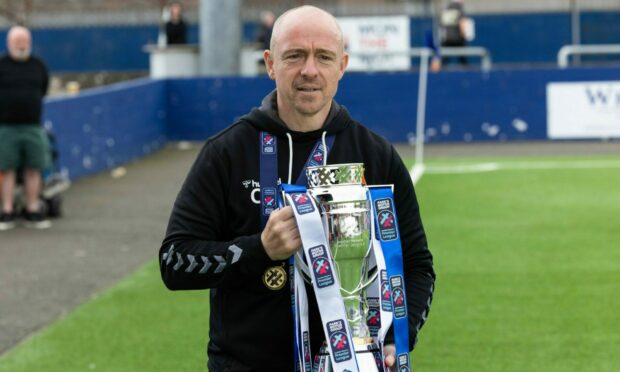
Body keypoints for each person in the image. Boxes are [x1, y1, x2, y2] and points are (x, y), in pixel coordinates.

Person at [159, 5, 435, 371]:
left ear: (342, 65)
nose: (309, 70)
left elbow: (417, 266)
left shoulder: (375, 156)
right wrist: (258, 249)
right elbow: (174, 262)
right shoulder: (226, 152)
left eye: (323, 57)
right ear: (271, 63)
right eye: (295, 56)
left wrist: (396, 335)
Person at [0, 25, 51, 230]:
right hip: (6, 127)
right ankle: (7, 211)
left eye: (24, 41)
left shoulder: (38, 65)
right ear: (9, 43)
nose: (21, 45)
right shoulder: (1, 65)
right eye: (17, 42)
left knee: (34, 169)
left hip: (33, 126)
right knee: (7, 170)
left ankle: (32, 210)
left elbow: (44, 88)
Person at [440, 0, 468, 66]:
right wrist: (463, 35)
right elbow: (462, 23)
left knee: (444, 60)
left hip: (446, 38)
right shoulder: (458, 7)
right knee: (463, 60)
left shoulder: (446, 8)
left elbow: (442, 24)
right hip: (457, 38)